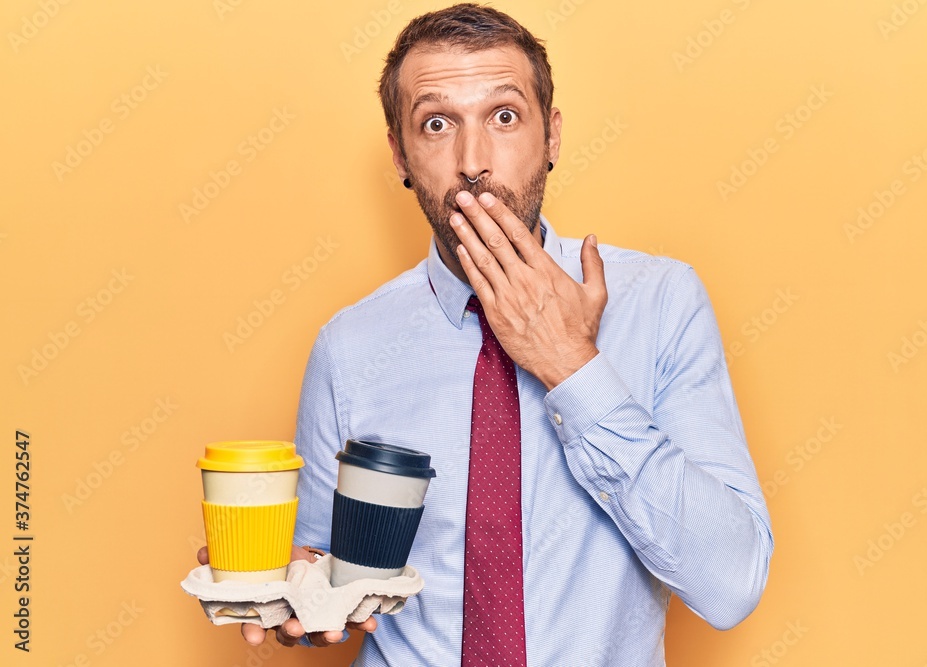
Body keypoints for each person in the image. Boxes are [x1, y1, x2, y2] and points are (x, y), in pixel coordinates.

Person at [201, 3, 773, 663]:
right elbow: (325, 575)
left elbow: (731, 583)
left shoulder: (661, 303)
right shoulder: (349, 346)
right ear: (400, 154)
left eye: (504, 116)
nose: (474, 162)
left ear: (551, 137)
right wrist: (287, 589)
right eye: (437, 123)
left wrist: (573, 367)